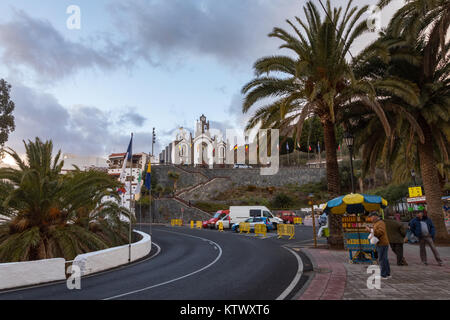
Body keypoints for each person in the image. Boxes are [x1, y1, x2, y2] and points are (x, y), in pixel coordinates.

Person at [366, 212, 391, 279]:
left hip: (382, 243)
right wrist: (371, 229)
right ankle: (387, 273)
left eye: (371, 217)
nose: (370, 219)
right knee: (384, 258)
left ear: (375, 216)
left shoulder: (380, 223)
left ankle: (383, 274)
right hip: (381, 243)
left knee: (382, 259)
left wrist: (370, 230)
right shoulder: (377, 223)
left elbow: (380, 232)